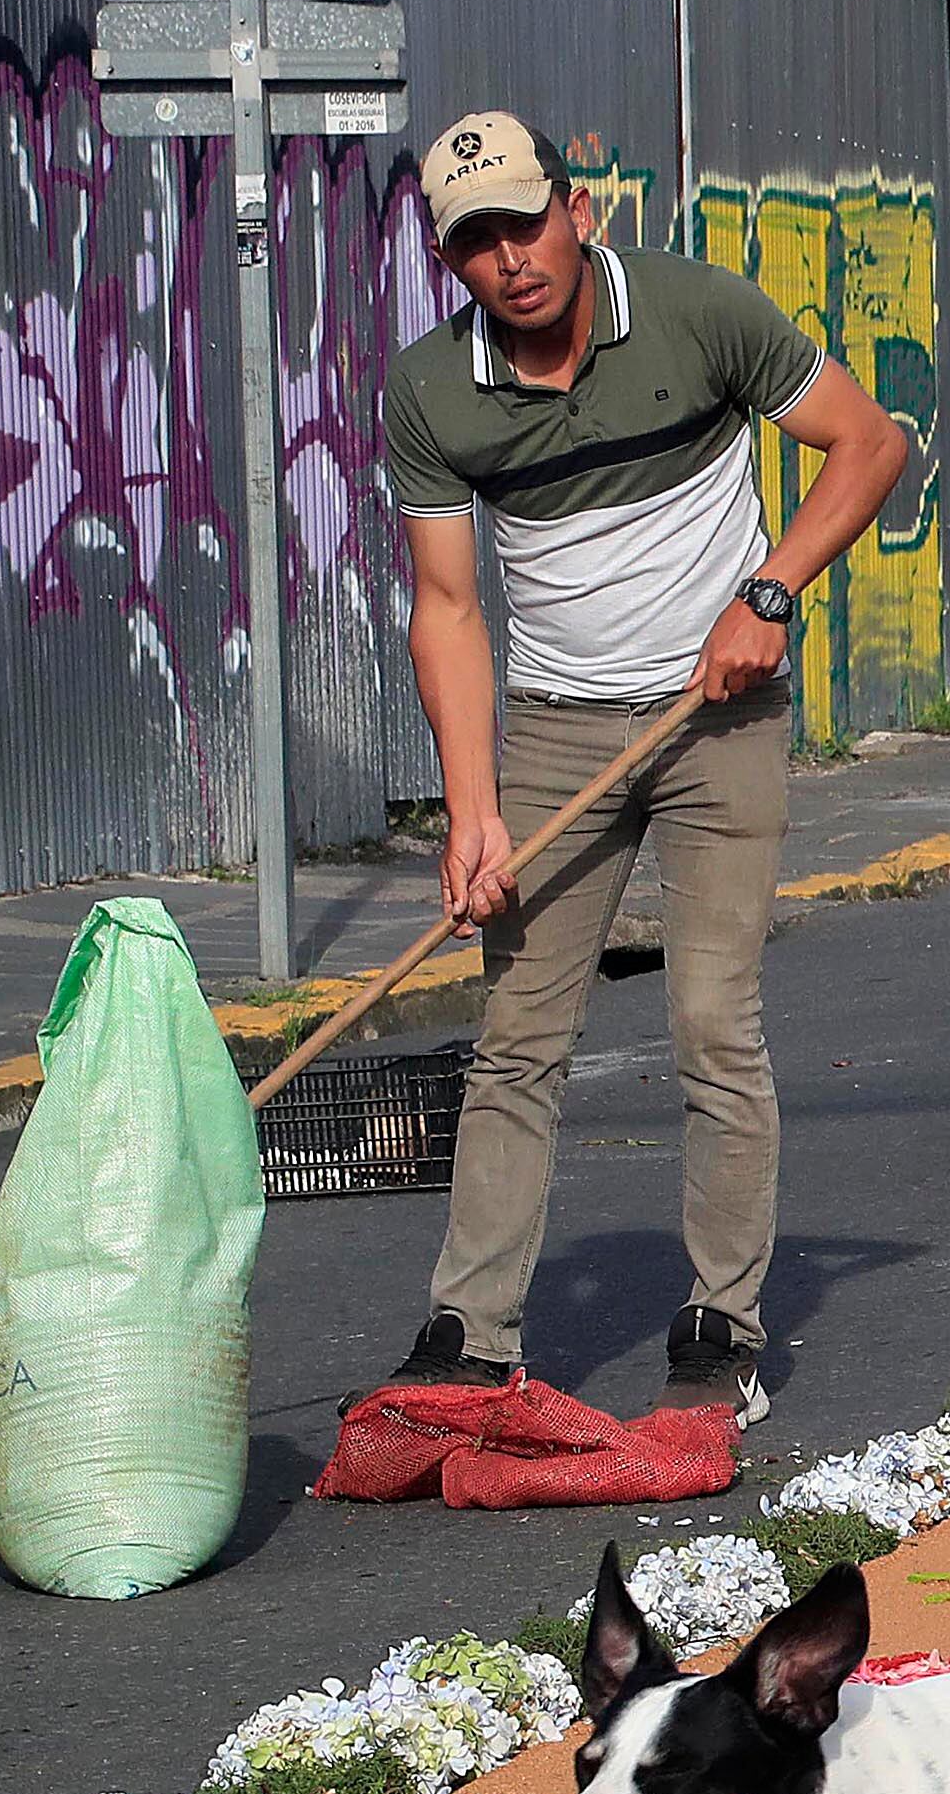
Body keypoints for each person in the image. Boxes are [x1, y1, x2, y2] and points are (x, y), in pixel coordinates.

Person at [375, 110, 907, 1423]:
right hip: (557, 731)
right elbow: (446, 611)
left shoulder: (697, 312)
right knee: (515, 1040)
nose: (511, 258)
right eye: (477, 241)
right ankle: (473, 1333)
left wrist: (770, 594)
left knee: (714, 1029)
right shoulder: (433, 391)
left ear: (578, 210)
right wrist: (475, 812)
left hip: (714, 720)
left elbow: (871, 443)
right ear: (454, 263)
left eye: (525, 220)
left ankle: (721, 1327)